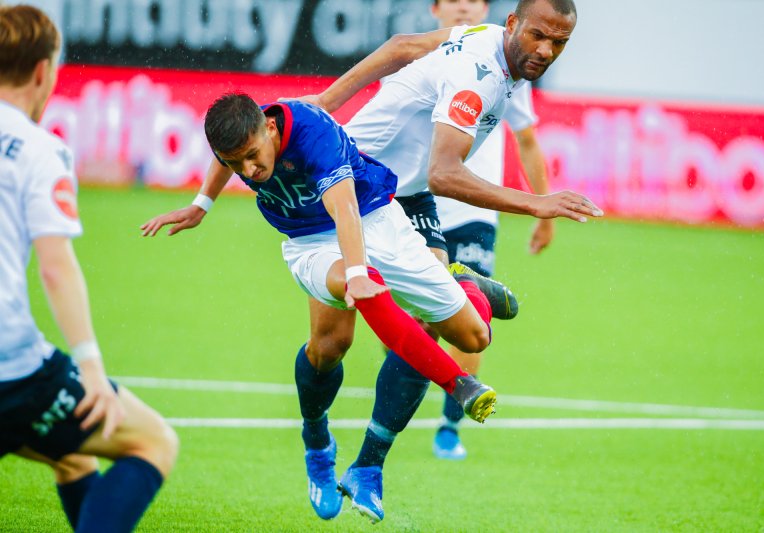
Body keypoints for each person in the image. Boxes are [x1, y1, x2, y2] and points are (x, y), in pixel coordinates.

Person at [286, 0, 601, 520]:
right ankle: (318, 445)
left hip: (404, 195)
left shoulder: (488, 42)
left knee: (449, 327)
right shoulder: (478, 75)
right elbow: (445, 173)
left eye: (559, 43)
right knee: (330, 345)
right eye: (540, 36)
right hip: (351, 183)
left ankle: (368, 464)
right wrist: (536, 203)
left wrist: (327, 98)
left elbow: (404, 46)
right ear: (514, 25)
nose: (546, 51)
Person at [140, 93, 517, 523]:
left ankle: (465, 283)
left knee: (474, 336)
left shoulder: (313, 134)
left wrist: (357, 267)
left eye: (252, 157)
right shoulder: (246, 135)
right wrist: (201, 205)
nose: (250, 171)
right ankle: (323, 441)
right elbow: (226, 158)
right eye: (236, 163)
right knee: (331, 344)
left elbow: (345, 208)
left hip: (372, 216)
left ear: (270, 128)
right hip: (308, 242)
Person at [0, 5, 178, 533]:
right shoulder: (39, 149)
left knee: (72, 454)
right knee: (152, 441)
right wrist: (91, 367)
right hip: (13, 372)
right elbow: (56, 267)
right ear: (42, 71)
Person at [427, 0, 554, 460]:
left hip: (475, 209)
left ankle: (449, 425)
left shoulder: (507, 65)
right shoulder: (418, 58)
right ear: (435, 8)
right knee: (421, 322)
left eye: (475, 0)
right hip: (417, 206)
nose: (465, 7)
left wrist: (543, 212)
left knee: (471, 317)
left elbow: (527, 139)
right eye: (455, 0)